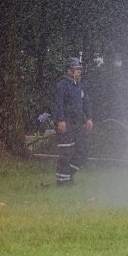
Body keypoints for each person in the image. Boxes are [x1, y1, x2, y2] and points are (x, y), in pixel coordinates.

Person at [54, 57, 93, 186]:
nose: (79, 72)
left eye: (80, 69)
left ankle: (67, 175)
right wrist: (61, 120)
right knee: (66, 152)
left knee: (83, 150)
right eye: (77, 69)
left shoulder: (81, 86)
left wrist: (89, 118)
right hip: (66, 123)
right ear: (69, 70)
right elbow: (58, 104)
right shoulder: (62, 85)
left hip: (78, 123)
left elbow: (86, 102)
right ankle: (62, 182)